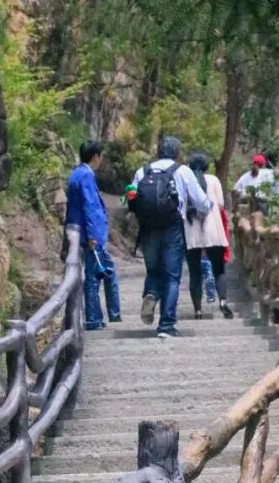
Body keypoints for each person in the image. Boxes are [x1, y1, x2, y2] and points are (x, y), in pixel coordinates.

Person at [127, 134, 211, 338]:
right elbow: (202, 202)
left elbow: (130, 197)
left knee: (154, 270)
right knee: (172, 276)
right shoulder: (183, 171)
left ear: (158, 151)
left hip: (147, 228)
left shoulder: (142, 171)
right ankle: (166, 326)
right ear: (177, 153)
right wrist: (207, 207)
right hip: (172, 228)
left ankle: (151, 294)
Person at [66, 140, 120, 330]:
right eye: (101, 156)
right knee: (95, 276)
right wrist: (92, 235)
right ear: (96, 156)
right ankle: (95, 318)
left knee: (95, 275)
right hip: (91, 235)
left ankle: (98, 316)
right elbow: (90, 206)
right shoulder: (87, 176)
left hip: (79, 232)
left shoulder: (75, 174)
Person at [184, 150, 234, 321]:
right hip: (213, 231)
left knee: (195, 272)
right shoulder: (213, 180)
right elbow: (220, 205)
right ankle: (222, 302)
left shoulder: (185, 180)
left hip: (192, 233)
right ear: (206, 166)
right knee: (219, 269)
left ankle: (198, 310)